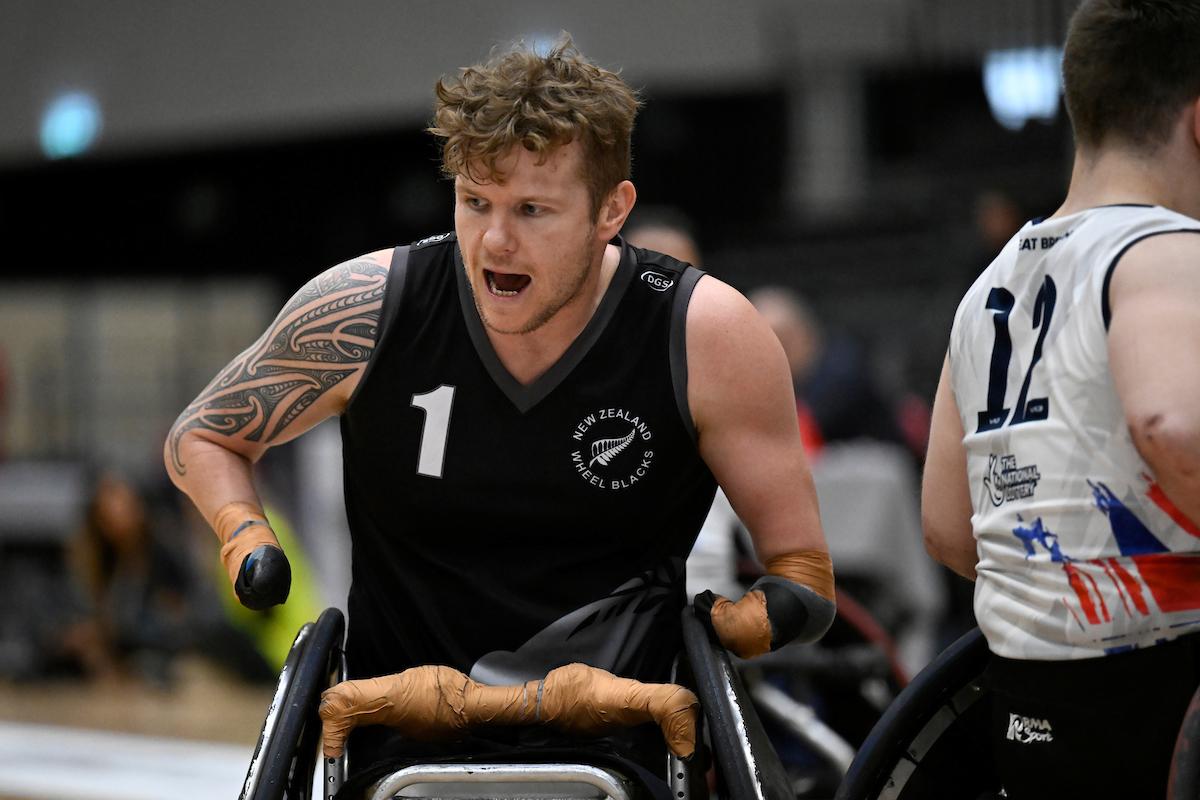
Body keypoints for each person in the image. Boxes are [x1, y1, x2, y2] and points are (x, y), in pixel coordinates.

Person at [164, 37, 833, 791]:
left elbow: (803, 577)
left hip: (627, 743)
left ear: (611, 210)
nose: (495, 240)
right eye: (474, 201)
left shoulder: (706, 334)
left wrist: (719, 630)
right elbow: (204, 433)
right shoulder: (369, 309)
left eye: (532, 209)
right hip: (399, 746)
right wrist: (246, 539)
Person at [921, 2, 1200, 797]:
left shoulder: (988, 286)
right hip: (1167, 707)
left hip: (1031, 718)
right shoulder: (1166, 247)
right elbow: (1172, 426)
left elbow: (948, 528)